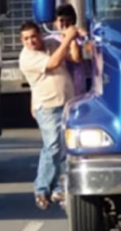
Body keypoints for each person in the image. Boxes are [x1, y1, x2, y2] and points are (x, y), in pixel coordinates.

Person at [19, 21, 80, 210]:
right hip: (47, 107)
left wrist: (71, 39)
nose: (31, 41)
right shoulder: (27, 57)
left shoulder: (52, 44)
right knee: (52, 146)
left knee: (65, 147)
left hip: (66, 103)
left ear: (40, 35)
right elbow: (53, 63)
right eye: (26, 39)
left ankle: (59, 188)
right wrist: (67, 39)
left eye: (33, 36)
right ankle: (41, 188)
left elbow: (75, 58)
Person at [47, 5, 89, 97]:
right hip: (61, 91)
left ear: (74, 22)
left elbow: (78, 58)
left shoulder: (81, 39)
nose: (65, 24)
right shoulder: (50, 41)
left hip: (79, 89)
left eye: (69, 20)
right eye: (61, 20)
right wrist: (70, 37)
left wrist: (82, 34)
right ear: (55, 22)